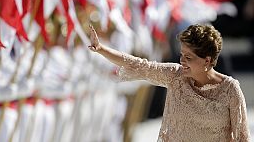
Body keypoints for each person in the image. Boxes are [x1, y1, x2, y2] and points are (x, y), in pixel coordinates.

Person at [88, 23, 250, 141]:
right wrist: (102, 49)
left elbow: (242, 138)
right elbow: (139, 65)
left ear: (207, 61)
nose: (182, 61)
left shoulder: (230, 89)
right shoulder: (175, 75)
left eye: (189, 58)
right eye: (181, 55)